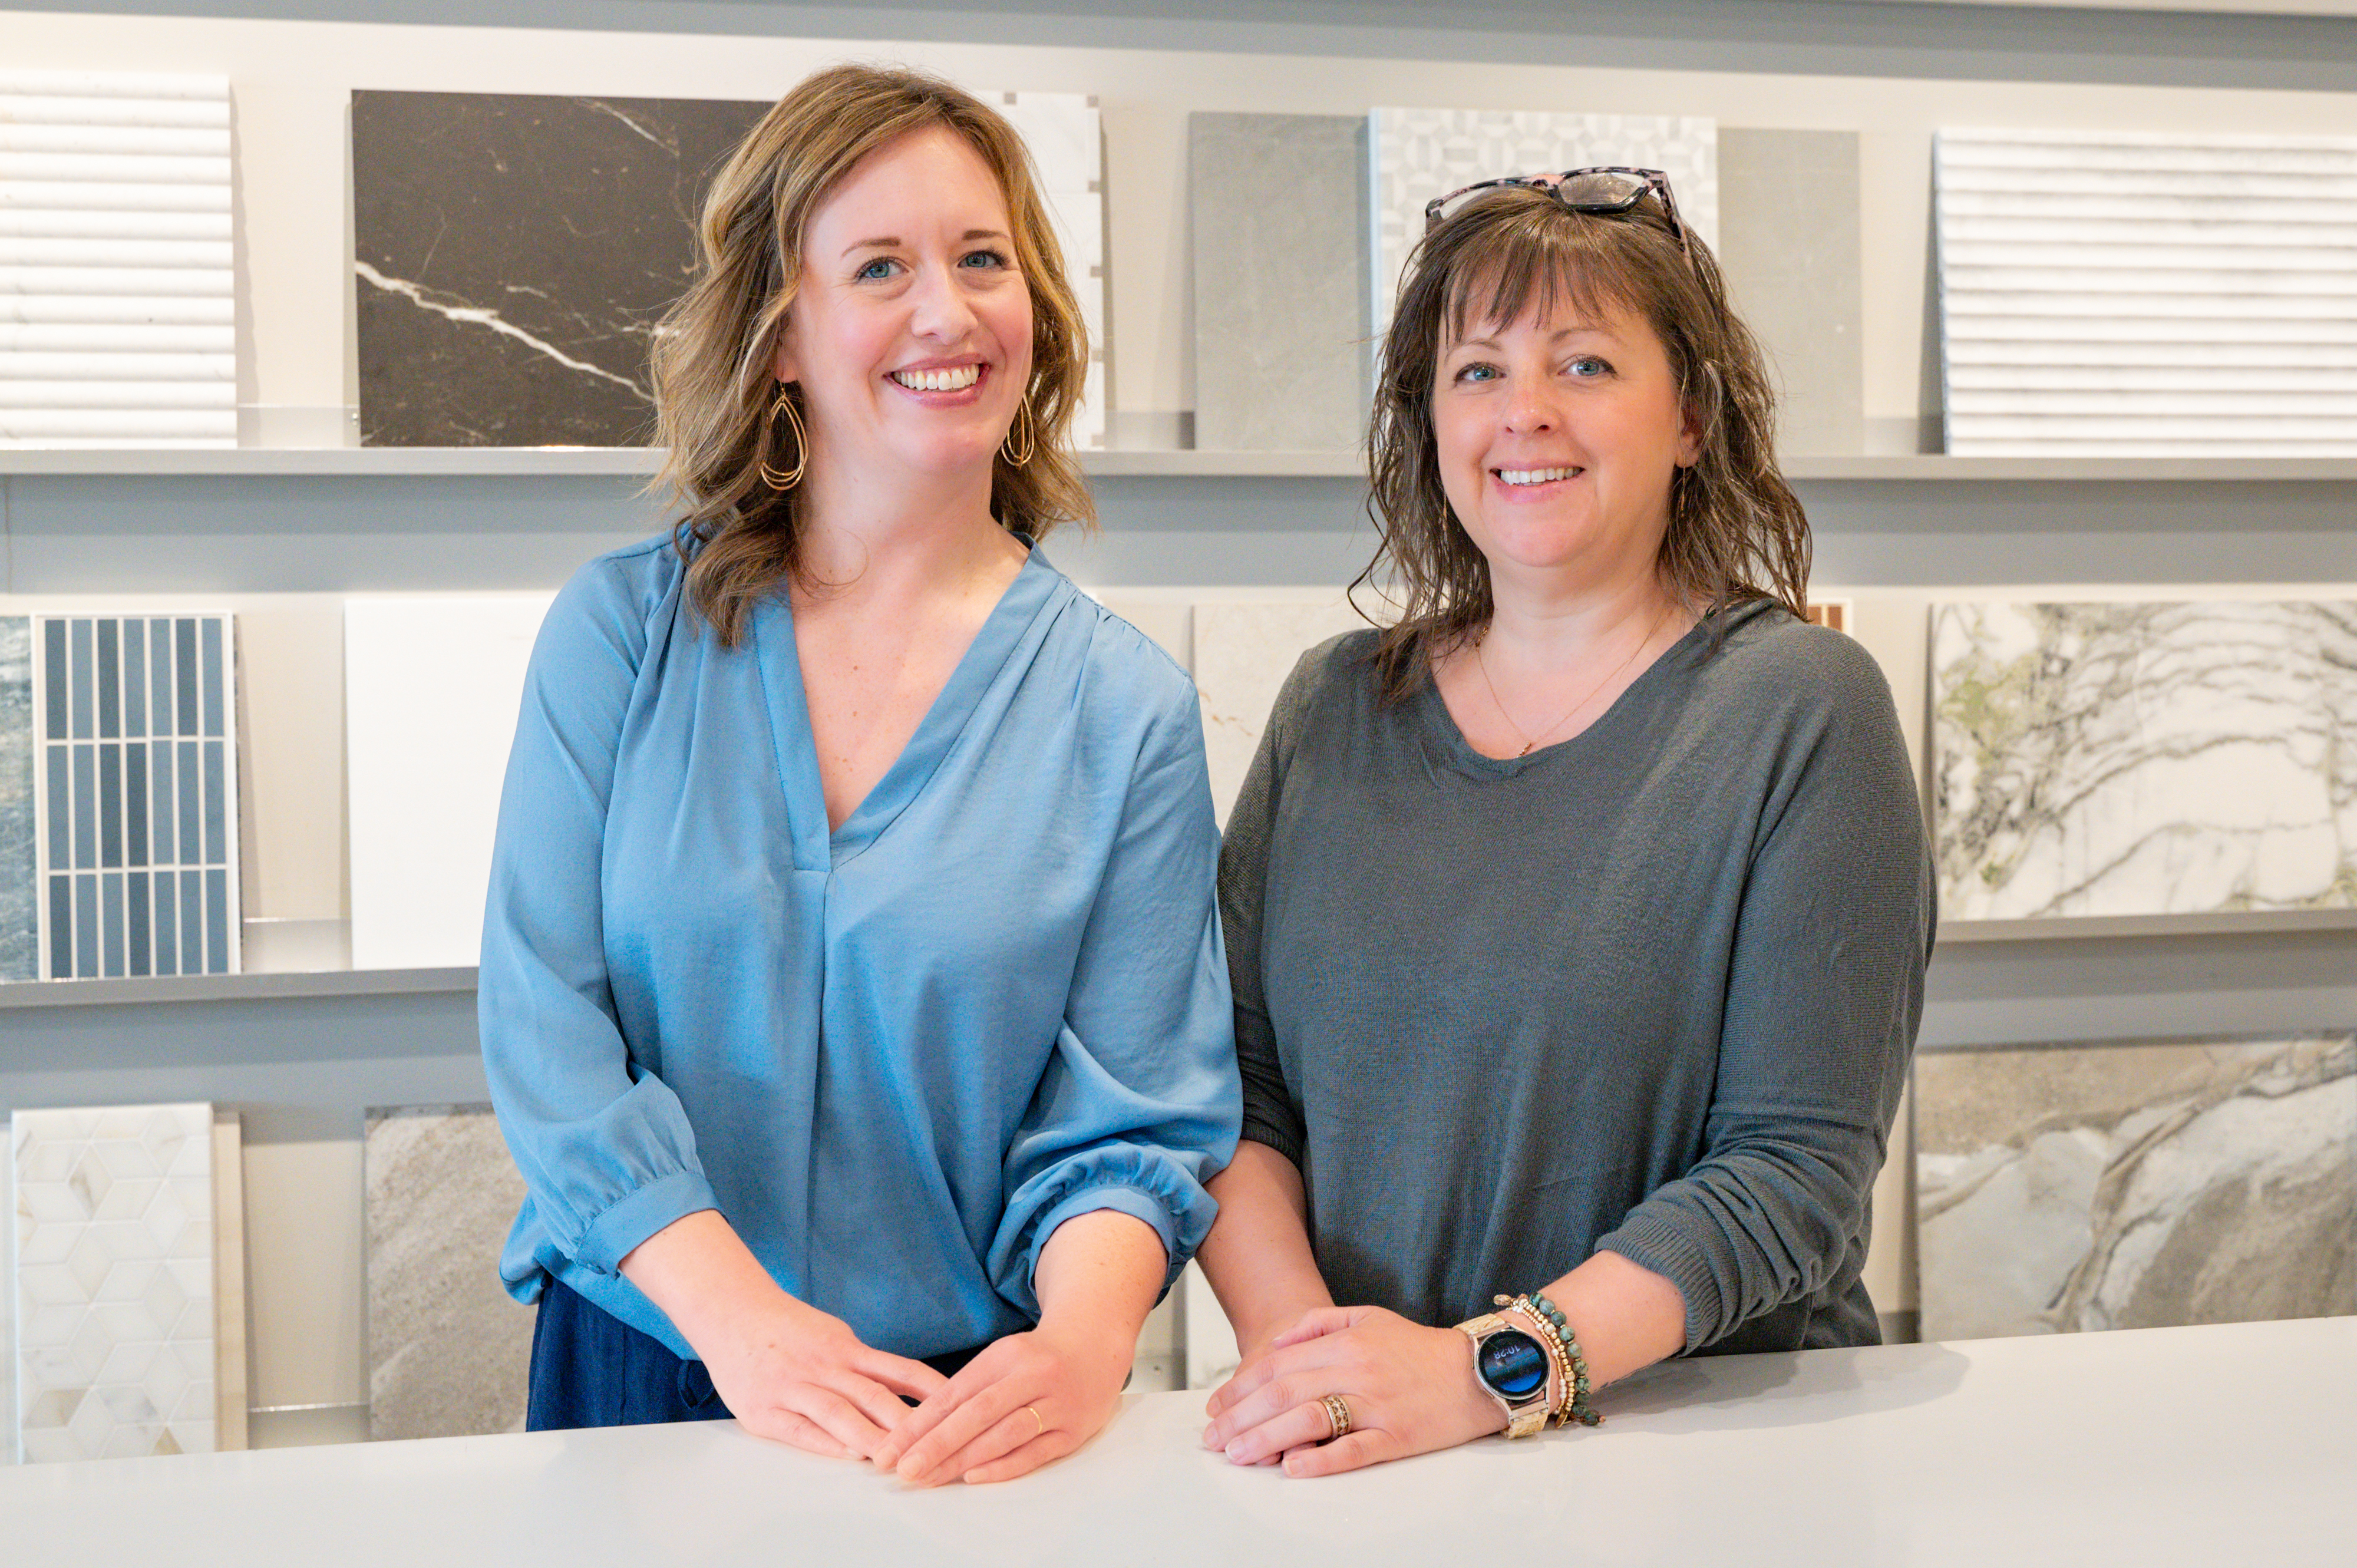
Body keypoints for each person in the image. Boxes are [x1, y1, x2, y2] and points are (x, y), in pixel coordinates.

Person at [478, 64, 1237, 1488]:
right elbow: (545, 1024)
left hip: (963, 1418)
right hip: (649, 1363)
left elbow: (1131, 1116)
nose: (944, 313)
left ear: (1034, 315)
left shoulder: (1123, 708)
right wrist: (744, 1325)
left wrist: (1079, 1345)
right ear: (781, 332)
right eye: (878, 265)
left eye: (981, 260)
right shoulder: (619, 634)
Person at [1194, 169, 1934, 1477]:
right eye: (1474, 370)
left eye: (1584, 363)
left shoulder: (1800, 708)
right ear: (1427, 418)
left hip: (1709, 1460)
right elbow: (1238, 1091)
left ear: (1691, 418)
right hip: (1370, 1467)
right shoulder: (1329, 708)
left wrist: (1479, 1372)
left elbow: (1791, 1171)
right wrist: (1322, 1373)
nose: (1522, 411)